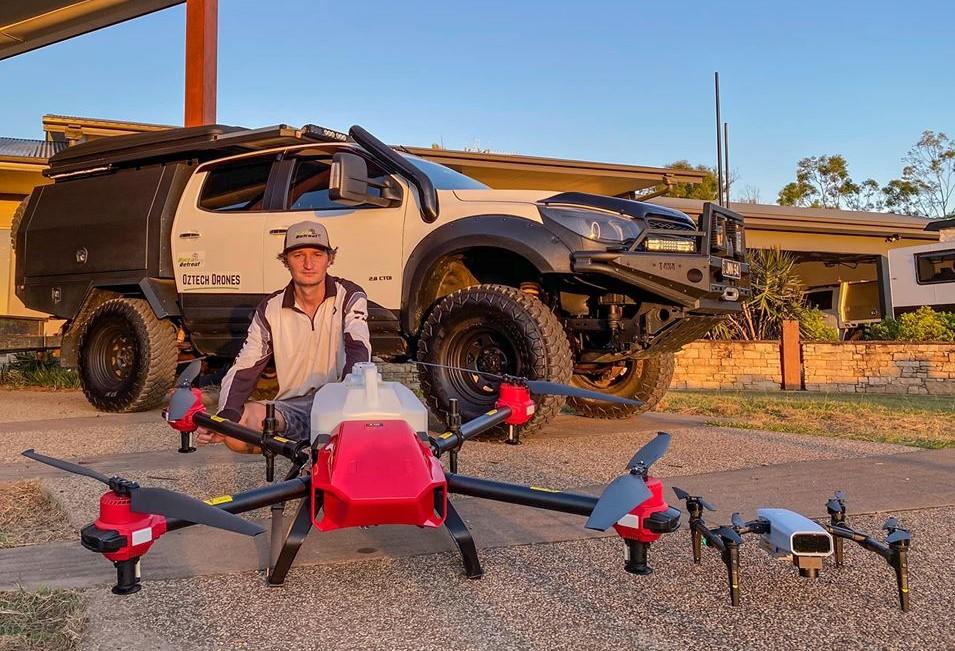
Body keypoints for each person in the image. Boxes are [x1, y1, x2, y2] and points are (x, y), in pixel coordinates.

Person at [197, 220, 371, 452]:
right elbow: (245, 366)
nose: (308, 264)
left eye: (317, 254)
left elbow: (359, 348)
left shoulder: (349, 295)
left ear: (329, 259)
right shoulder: (270, 308)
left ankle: (320, 457)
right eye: (299, 255)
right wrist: (225, 419)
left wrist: (348, 401)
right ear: (286, 260)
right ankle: (300, 452)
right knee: (237, 431)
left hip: (340, 401)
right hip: (291, 407)